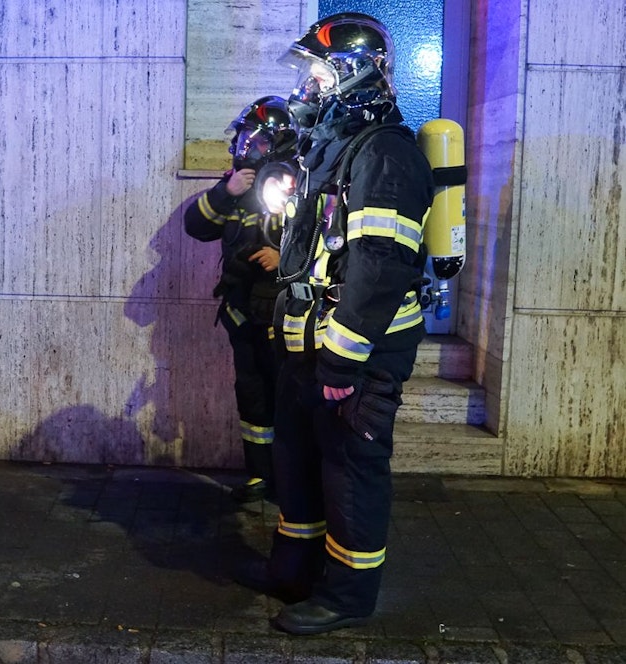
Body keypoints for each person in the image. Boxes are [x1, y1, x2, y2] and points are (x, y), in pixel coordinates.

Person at [233, 13, 435, 634]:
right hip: (307, 347)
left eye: (318, 72)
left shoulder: (388, 155)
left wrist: (344, 361)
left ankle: (348, 595)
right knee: (296, 461)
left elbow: (379, 267)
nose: (308, 86)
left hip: (356, 358)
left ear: (353, 76)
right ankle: (298, 568)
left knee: (350, 472)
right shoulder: (331, 151)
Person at [183, 96, 297, 503]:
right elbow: (196, 226)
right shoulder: (237, 185)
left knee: (287, 398)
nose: (245, 146)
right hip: (242, 312)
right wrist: (225, 190)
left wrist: (284, 259)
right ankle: (260, 475)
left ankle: (291, 480)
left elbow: (324, 240)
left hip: (285, 318)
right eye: (244, 138)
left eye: (255, 139)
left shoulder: (296, 181)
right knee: (251, 397)